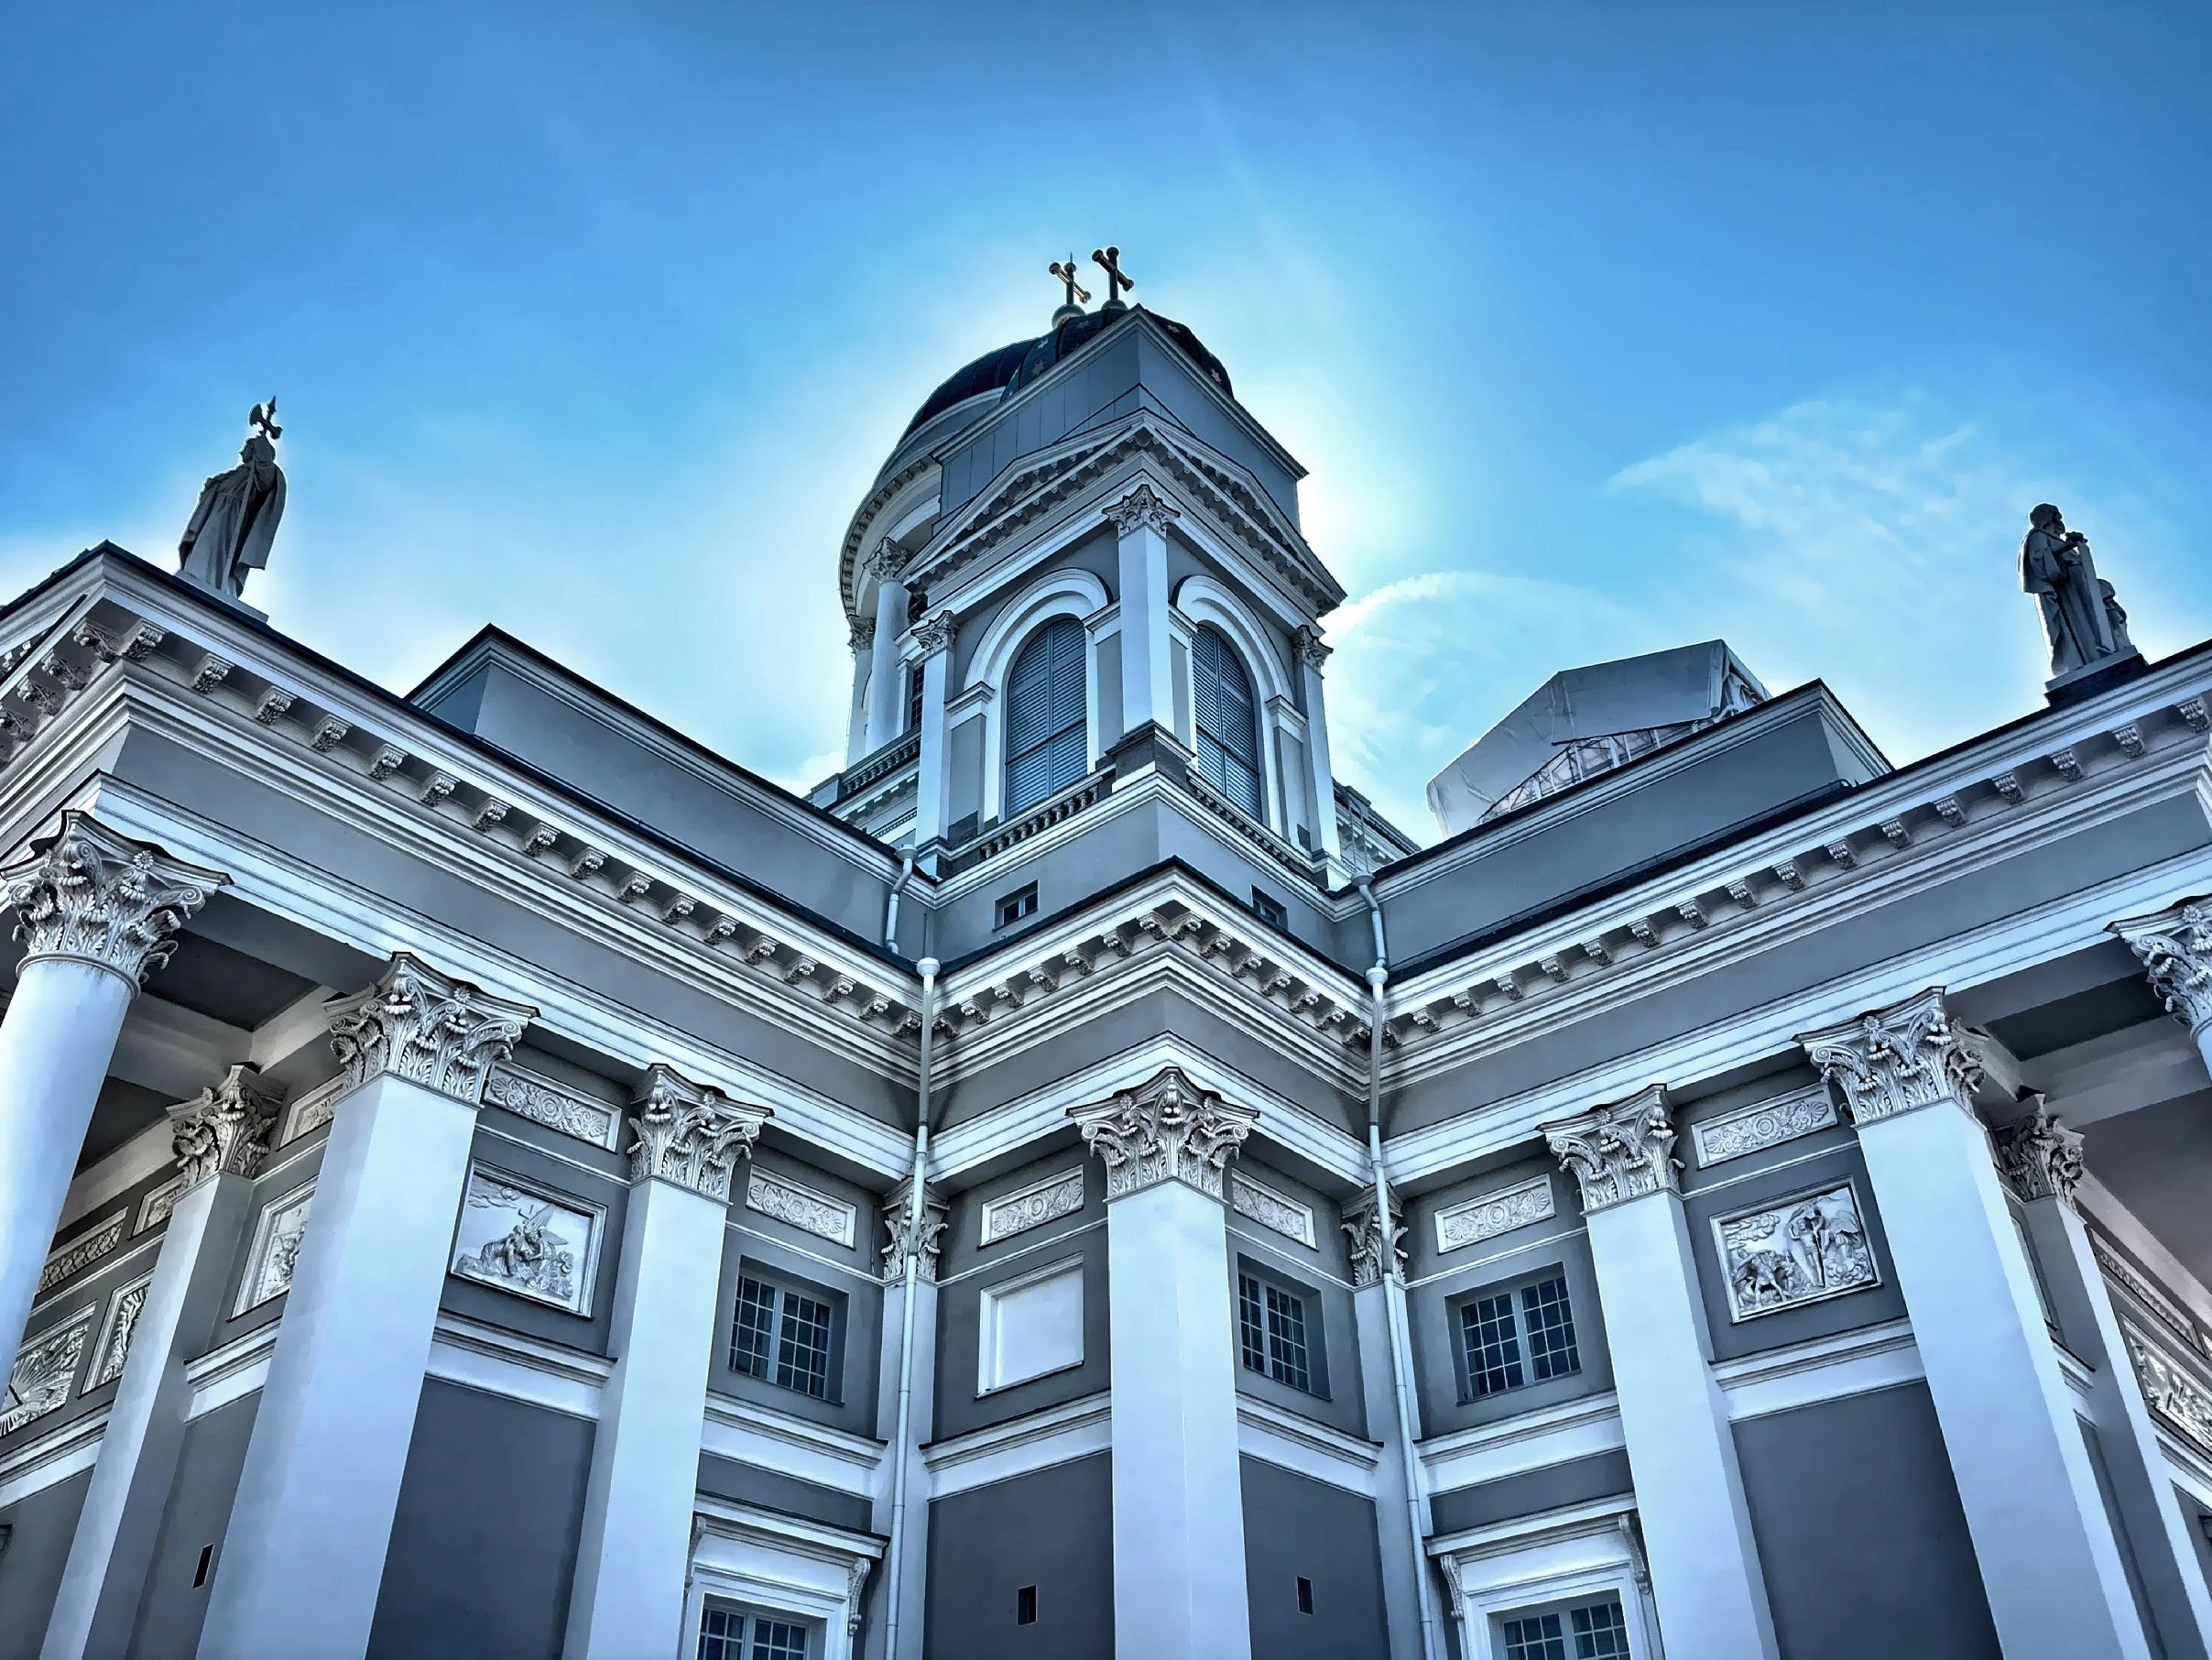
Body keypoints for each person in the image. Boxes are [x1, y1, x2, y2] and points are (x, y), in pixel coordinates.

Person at [2019, 503, 2116, 677]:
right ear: (2048, 517)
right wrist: (2067, 548)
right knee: (2082, 622)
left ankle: (2104, 650)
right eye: (2057, 515)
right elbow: (2041, 564)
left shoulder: (2054, 538)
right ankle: (2090, 655)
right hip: (2069, 591)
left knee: (2097, 614)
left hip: (2080, 584)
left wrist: (2070, 545)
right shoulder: (2037, 536)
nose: (2060, 519)